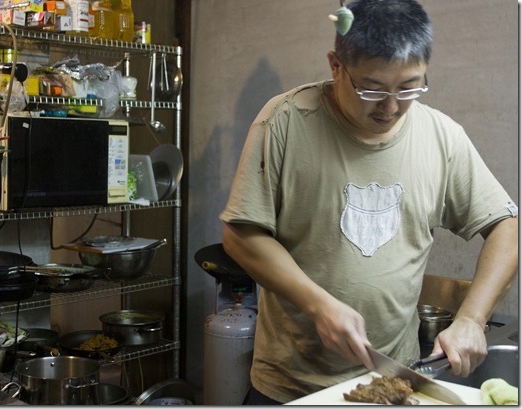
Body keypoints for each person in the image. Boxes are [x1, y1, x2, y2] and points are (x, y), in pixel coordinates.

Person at [219, 0, 518, 404]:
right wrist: (318, 304)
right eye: (372, 88)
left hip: (395, 382)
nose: (391, 107)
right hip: (291, 386)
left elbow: (506, 227)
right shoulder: (286, 120)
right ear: (335, 65)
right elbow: (240, 235)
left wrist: (471, 318)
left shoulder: (441, 137)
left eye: (409, 86)